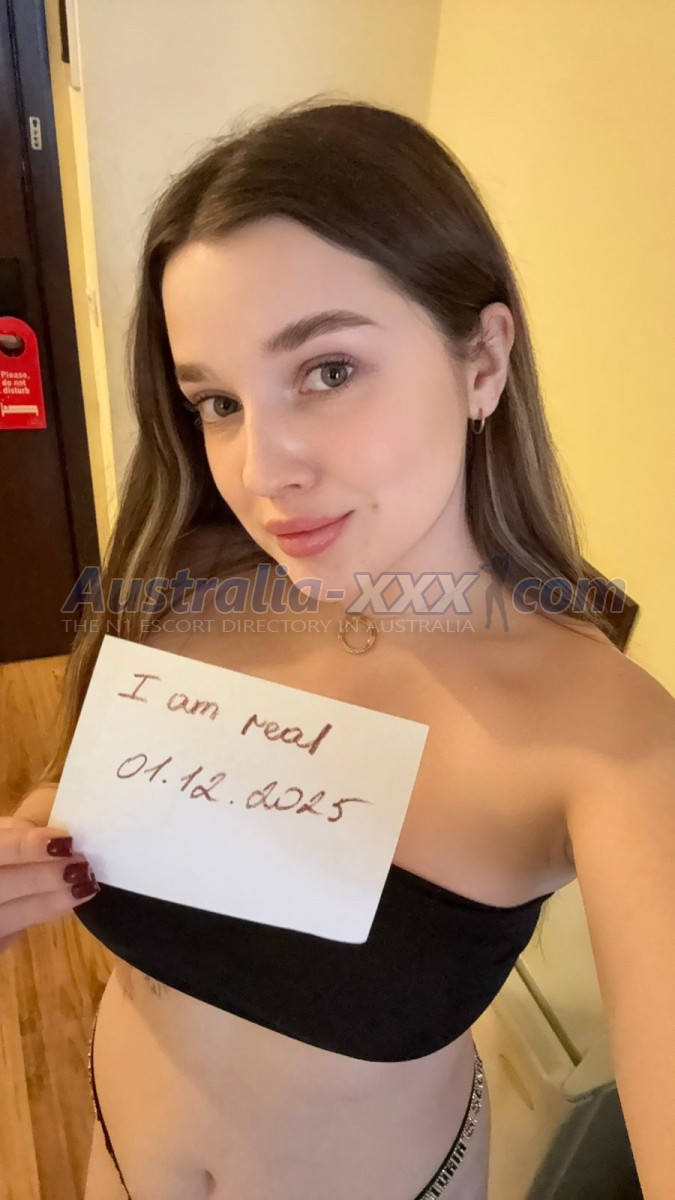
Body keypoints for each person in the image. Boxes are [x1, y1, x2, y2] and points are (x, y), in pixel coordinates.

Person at [5, 96, 674, 1200]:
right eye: (218, 402)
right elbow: (90, 803)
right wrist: (33, 847)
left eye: (327, 371)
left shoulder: (611, 745)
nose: (262, 470)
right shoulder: (185, 578)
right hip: (112, 1166)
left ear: (482, 361)